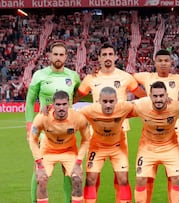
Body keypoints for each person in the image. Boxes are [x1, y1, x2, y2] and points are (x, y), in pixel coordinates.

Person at [75, 42, 146, 200]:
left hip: (120, 132)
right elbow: (76, 97)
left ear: (115, 57)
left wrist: (153, 102)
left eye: (110, 54)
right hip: (95, 133)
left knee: (120, 175)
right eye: (104, 55)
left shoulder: (125, 77)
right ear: (99, 58)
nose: (107, 58)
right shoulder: (90, 79)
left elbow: (141, 95)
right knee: (93, 176)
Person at [25, 41, 81, 203]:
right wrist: (30, 126)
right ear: (49, 56)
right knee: (39, 172)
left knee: (69, 172)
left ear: (66, 56)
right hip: (44, 131)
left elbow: (79, 95)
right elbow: (29, 102)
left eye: (61, 54)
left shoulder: (73, 76)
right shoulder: (39, 75)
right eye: (55, 54)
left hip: (67, 130)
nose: (58, 57)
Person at [133, 49, 179, 202]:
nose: (163, 63)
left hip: (172, 132)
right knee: (146, 177)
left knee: (174, 176)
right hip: (150, 130)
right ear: (154, 62)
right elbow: (128, 79)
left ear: (171, 62)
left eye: (166, 60)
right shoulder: (146, 77)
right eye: (160, 60)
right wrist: (144, 98)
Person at [28, 91, 90, 203]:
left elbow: (86, 139)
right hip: (47, 151)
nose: (61, 108)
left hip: (69, 152)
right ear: (53, 105)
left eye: (64, 104)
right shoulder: (43, 117)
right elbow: (32, 139)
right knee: (41, 179)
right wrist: (38, 163)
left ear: (69, 104)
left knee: (77, 179)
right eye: (58, 104)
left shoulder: (78, 118)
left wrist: (78, 162)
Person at [81, 87, 134, 203]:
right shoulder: (90, 110)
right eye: (105, 101)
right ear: (99, 101)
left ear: (116, 100)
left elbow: (142, 106)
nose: (108, 105)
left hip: (118, 147)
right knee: (91, 179)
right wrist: (50, 109)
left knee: (123, 179)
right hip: (97, 147)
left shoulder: (124, 107)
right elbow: (71, 114)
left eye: (111, 101)